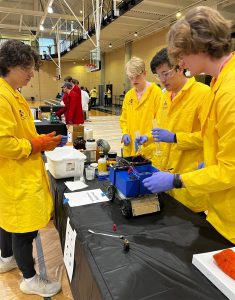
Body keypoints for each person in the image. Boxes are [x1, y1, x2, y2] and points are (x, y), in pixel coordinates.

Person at [143, 6, 235, 244]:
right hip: (218, 208)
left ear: (199, 46)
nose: (179, 63)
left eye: (181, 54)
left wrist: (178, 180)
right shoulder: (219, 83)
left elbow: (231, 170)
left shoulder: (229, 90)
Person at [0, 39, 64, 296]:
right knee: (24, 229)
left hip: (16, 173)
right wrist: (35, 144)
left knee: (7, 221)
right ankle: (29, 279)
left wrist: (40, 141)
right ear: (10, 65)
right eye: (27, 67)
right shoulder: (2, 96)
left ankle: (7, 259)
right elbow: (3, 142)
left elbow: (18, 132)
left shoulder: (12, 93)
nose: (31, 73)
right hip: (15, 175)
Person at [139, 48, 210, 212]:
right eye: (158, 75)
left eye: (166, 73)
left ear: (179, 67)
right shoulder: (165, 97)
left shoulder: (203, 94)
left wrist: (176, 138)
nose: (162, 80)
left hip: (187, 181)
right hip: (164, 178)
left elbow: (209, 137)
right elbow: (162, 130)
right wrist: (147, 138)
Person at [120, 56, 162, 157]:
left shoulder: (156, 93)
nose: (134, 80)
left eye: (137, 76)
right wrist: (125, 133)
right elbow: (124, 119)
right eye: (131, 77)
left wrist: (148, 137)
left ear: (145, 73)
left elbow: (160, 121)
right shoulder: (129, 95)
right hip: (131, 147)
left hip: (149, 147)